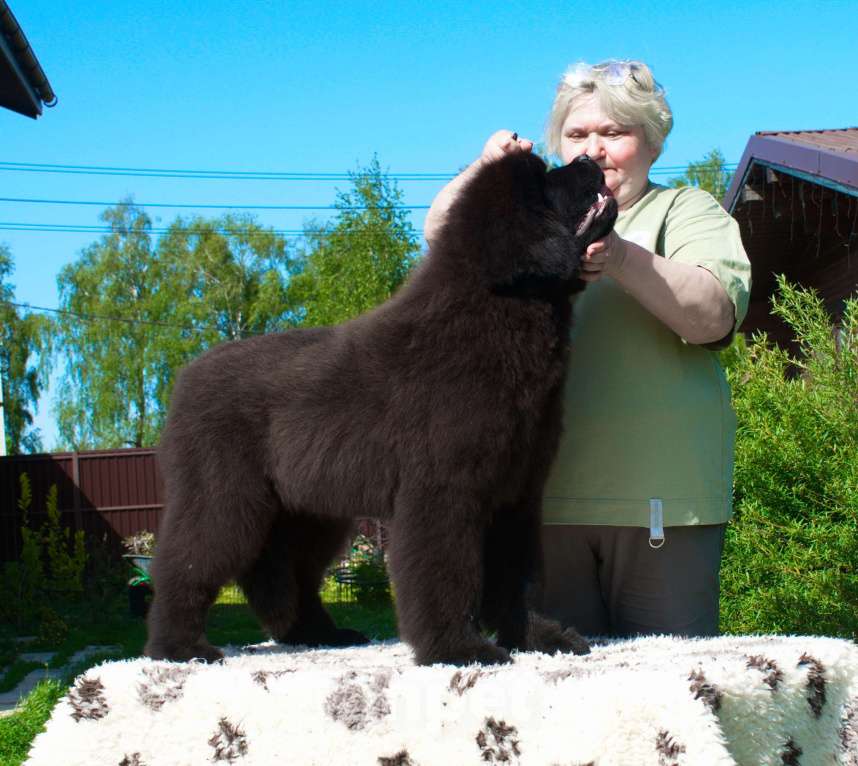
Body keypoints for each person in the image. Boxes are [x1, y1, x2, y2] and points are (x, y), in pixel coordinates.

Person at [424, 59, 751, 639]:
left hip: (660, 505)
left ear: (653, 142)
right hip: (541, 507)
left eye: (614, 132)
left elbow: (713, 317)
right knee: (554, 683)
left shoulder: (684, 209)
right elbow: (441, 231)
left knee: (670, 683)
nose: (594, 149)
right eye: (577, 134)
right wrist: (486, 168)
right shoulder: (537, 215)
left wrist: (619, 255)